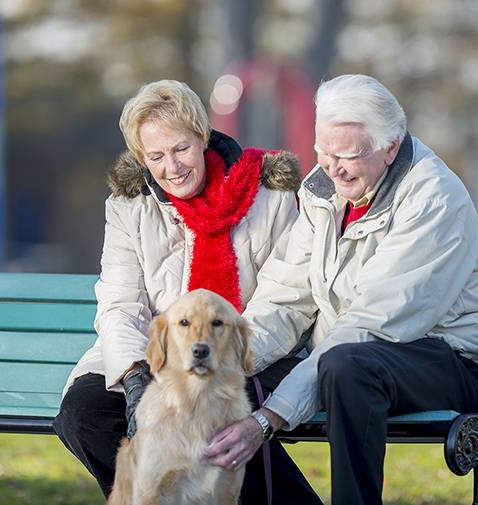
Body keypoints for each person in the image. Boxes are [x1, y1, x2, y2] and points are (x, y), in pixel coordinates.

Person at [203, 74, 478, 505]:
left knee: (348, 368)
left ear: (391, 147)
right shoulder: (322, 190)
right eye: (322, 151)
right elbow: (284, 296)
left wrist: (269, 419)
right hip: (345, 354)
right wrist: (232, 358)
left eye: (346, 154)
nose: (331, 167)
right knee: (229, 385)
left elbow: (373, 324)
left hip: (447, 358)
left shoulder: (434, 198)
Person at [52, 79, 319, 500]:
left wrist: (219, 358)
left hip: (250, 352)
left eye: (180, 149)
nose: (171, 167)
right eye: (155, 156)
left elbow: (287, 299)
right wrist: (137, 377)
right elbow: (120, 305)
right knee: (83, 415)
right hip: (156, 354)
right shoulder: (128, 206)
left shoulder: (270, 195)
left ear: (202, 137)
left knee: (210, 403)